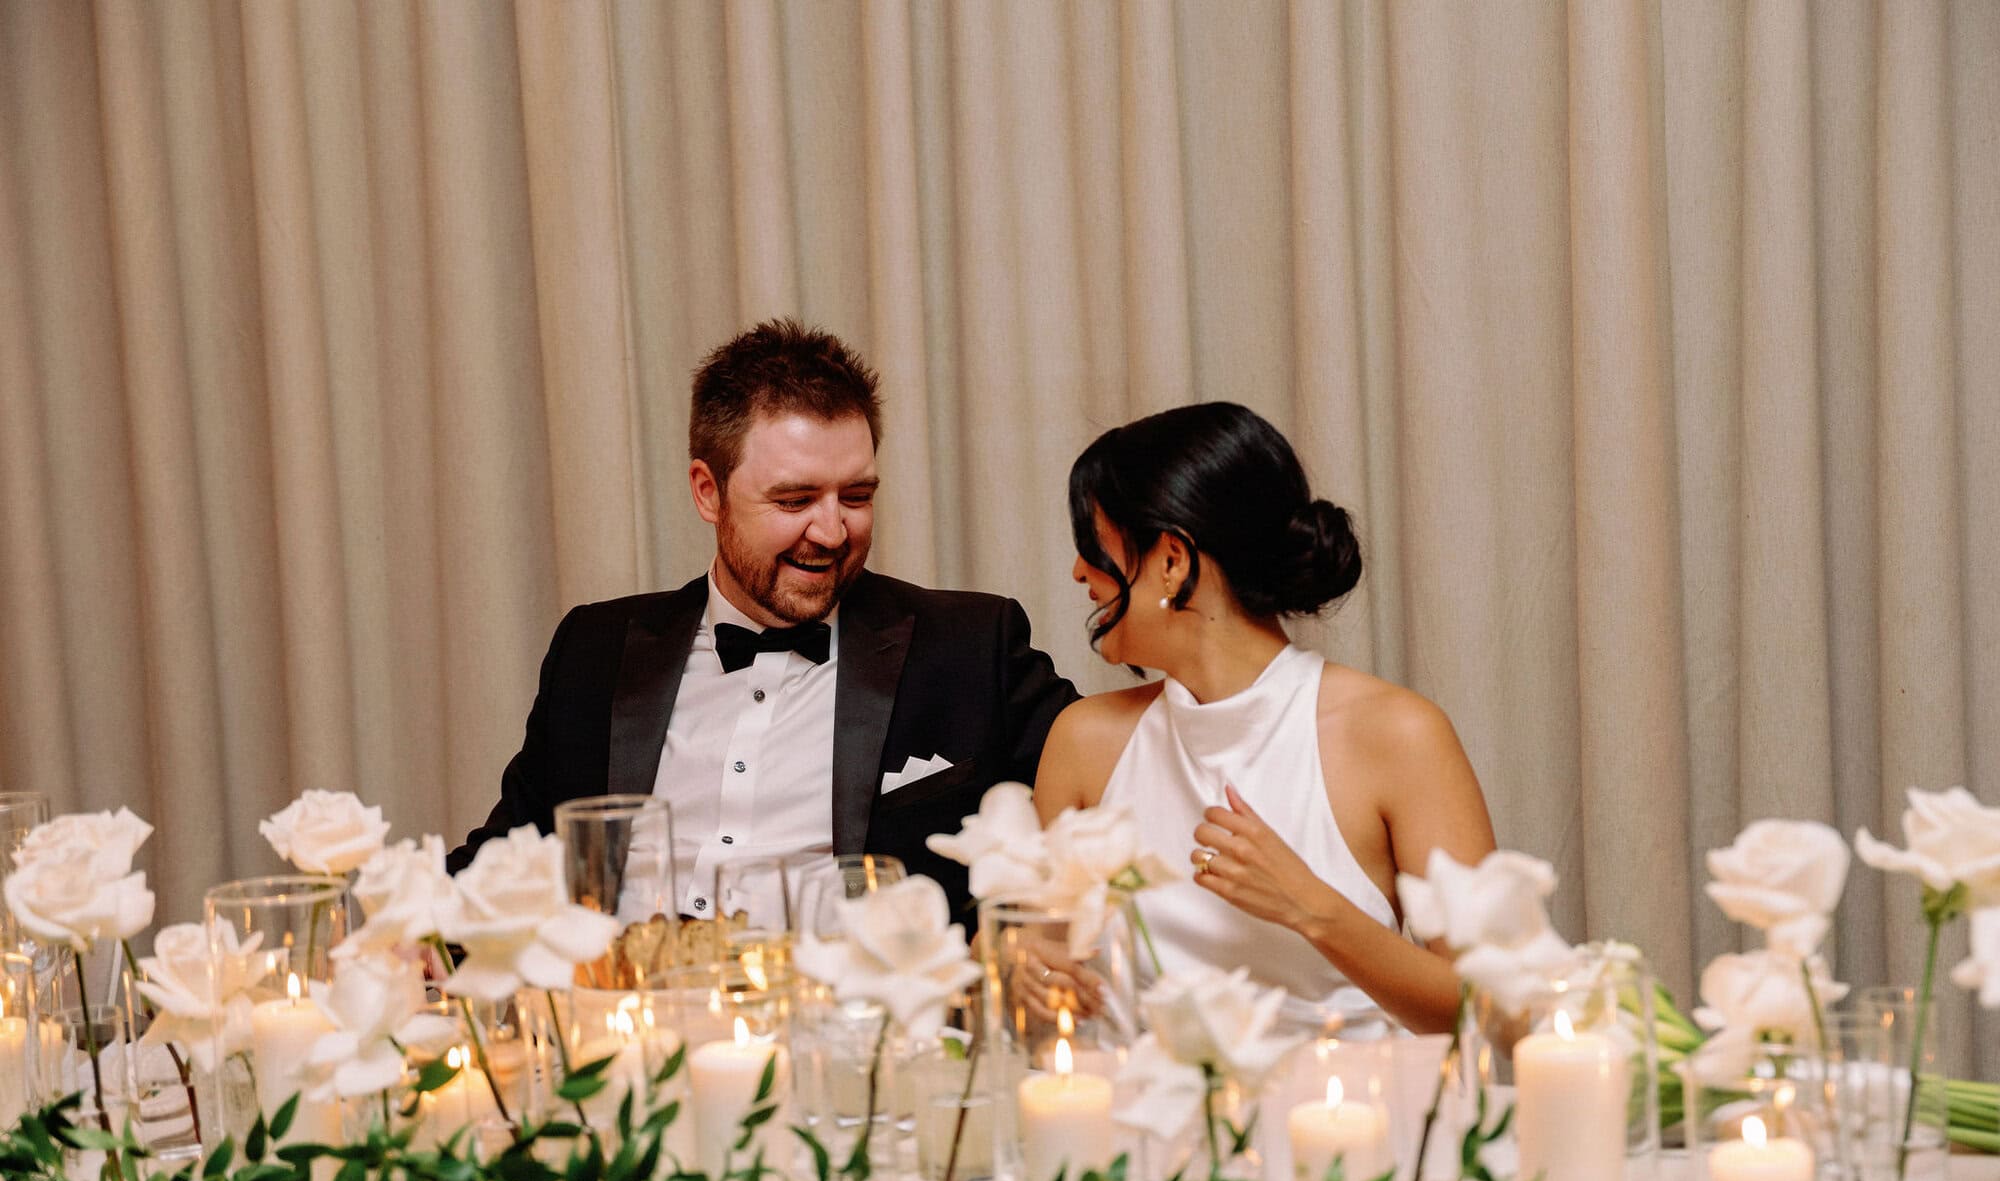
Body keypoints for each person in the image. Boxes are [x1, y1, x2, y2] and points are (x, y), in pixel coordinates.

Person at [451, 320, 1077, 926]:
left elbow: (1109, 790)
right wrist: (418, 929)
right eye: (794, 500)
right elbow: (510, 856)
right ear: (708, 491)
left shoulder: (969, 647)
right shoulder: (596, 649)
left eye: (856, 497)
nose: (832, 532)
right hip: (629, 1017)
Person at [1032, 402, 1494, 1035]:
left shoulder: (1397, 736)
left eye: (1094, 546)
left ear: (1171, 560)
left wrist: (1312, 909)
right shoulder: (1084, 742)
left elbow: (1487, 1006)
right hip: (1131, 1122)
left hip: (1347, 1121)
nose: (1079, 571)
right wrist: (1013, 962)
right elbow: (1035, 962)